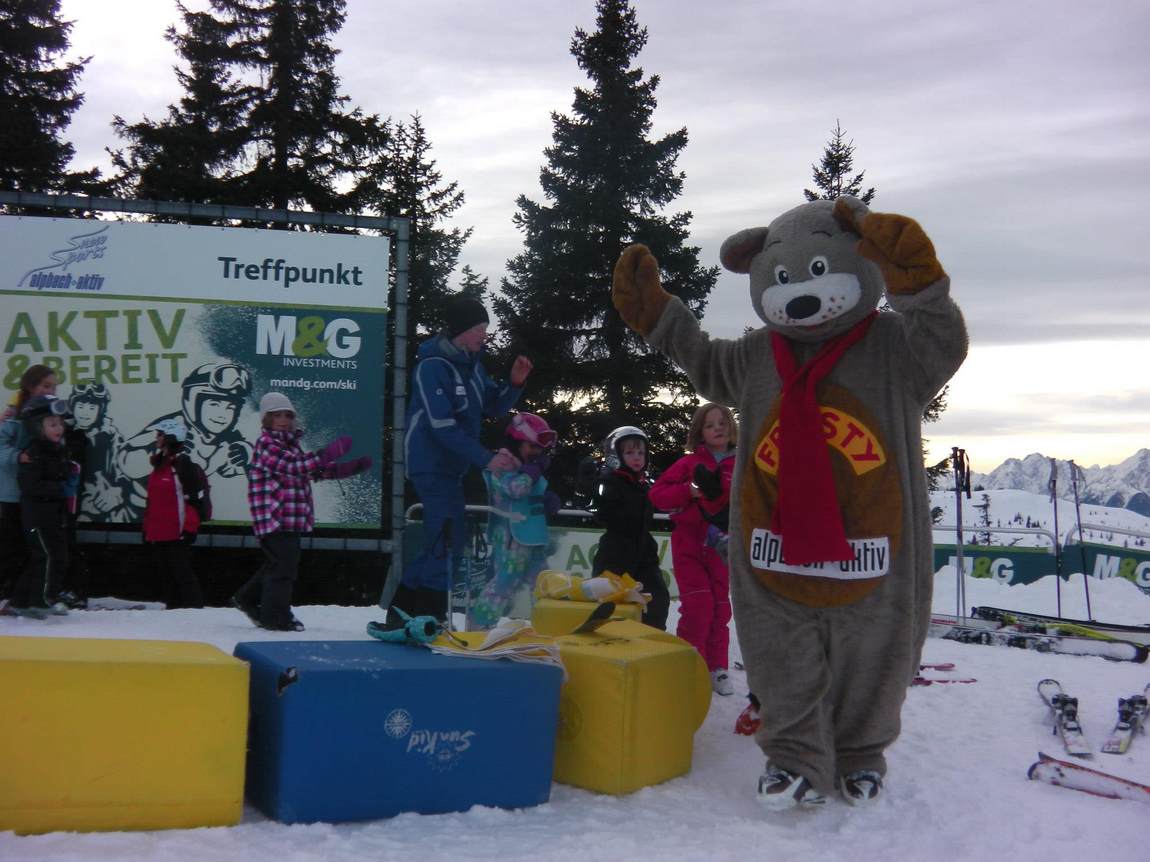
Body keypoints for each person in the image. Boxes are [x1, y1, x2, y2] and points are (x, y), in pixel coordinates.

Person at [388, 295, 532, 624]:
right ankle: (431, 615)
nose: (484, 334)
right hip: (430, 465)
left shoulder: (473, 366)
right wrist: (486, 459)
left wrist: (514, 384)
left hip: (452, 469)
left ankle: (402, 615)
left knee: (442, 539)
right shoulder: (432, 367)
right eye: (479, 327)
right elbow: (442, 427)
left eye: (486, 327)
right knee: (447, 541)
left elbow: (493, 406)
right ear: (460, 330)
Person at [232, 392, 372, 631]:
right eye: (277, 415)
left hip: (290, 518)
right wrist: (324, 455)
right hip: (274, 517)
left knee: (278, 564)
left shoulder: (291, 446)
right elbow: (292, 467)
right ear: (267, 419)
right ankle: (275, 617)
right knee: (283, 568)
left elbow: (310, 471)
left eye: (288, 415)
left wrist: (342, 470)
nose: (284, 420)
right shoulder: (266, 444)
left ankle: (246, 598)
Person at [649, 403, 738, 694]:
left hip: (722, 547)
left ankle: (718, 667)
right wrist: (689, 490)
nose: (718, 428)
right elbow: (657, 495)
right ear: (700, 432)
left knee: (721, 608)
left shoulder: (742, 462)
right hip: (689, 543)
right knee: (699, 605)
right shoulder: (689, 463)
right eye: (710, 425)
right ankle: (691, 662)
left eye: (722, 422)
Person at [471, 412, 562, 628]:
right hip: (511, 536)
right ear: (516, 443)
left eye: (540, 449)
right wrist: (534, 472)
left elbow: (531, 491)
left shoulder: (526, 468)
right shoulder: (502, 464)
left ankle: (546, 625)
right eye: (531, 447)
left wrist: (547, 499)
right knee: (505, 581)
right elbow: (516, 489)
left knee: (542, 583)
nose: (536, 453)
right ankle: (478, 627)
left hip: (532, 535)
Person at [591, 425, 670, 630]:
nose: (637, 457)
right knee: (609, 604)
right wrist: (589, 487)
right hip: (615, 555)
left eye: (641, 452)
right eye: (629, 452)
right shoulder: (608, 482)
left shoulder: (645, 484)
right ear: (615, 455)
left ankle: (651, 639)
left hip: (644, 553)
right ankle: (606, 640)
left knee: (657, 598)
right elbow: (600, 512)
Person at [11, 394, 77, 619]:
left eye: (60, 423)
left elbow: (59, 474)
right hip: (37, 516)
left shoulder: (56, 448)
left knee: (53, 556)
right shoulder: (34, 452)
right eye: (52, 424)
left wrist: (68, 474)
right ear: (37, 427)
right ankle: (41, 601)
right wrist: (60, 488)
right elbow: (30, 485)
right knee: (47, 556)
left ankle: (22, 601)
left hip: (52, 514)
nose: (59, 428)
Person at [0, 365, 59, 611]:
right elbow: (2, 446)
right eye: (45, 386)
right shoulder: (14, 416)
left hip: (34, 494)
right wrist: (18, 456)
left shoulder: (49, 412)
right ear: (30, 387)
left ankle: (24, 599)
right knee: (15, 548)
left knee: (35, 550)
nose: (51, 390)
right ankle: (11, 598)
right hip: (13, 493)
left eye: (54, 386)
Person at [142, 418, 205, 610]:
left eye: (160, 434)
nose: (156, 438)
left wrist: (189, 528)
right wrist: (147, 528)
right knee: (165, 573)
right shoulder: (159, 465)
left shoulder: (183, 465)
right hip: (159, 531)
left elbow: (194, 500)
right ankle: (173, 610)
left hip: (177, 532)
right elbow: (152, 500)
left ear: (170, 437)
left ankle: (194, 609)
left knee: (182, 573)